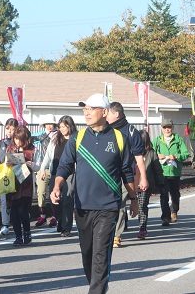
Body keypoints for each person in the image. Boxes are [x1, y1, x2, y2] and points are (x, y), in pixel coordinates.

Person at [51, 93, 137, 294]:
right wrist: (56, 186)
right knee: (88, 253)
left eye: (91, 109)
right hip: (82, 207)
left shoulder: (119, 138)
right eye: (85, 109)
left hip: (108, 207)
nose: (86, 113)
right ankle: (96, 286)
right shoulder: (77, 138)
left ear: (104, 112)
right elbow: (64, 166)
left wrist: (133, 199)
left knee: (100, 254)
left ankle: (96, 291)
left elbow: (126, 171)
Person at [107, 101, 149, 248]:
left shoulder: (131, 132)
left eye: (108, 113)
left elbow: (139, 158)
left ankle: (116, 236)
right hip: (107, 174)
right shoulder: (105, 130)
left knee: (120, 204)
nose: (105, 115)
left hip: (125, 175)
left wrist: (143, 178)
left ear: (117, 114)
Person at [39, 115, 77, 237]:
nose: (62, 129)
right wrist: (42, 169)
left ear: (69, 126)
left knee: (67, 199)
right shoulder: (55, 138)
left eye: (64, 126)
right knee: (53, 199)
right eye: (60, 126)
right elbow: (48, 155)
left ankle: (66, 227)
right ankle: (60, 220)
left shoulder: (75, 139)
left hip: (70, 173)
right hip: (55, 172)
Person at [5, 126, 40, 246]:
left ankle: (27, 232)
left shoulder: (32, 150)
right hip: (12, 184)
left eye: (20, 139)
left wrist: (31, 164)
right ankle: (18, 236)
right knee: (14, 212)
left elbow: (38, 166)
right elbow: (5, 163)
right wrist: (8, 162)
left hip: (26, 184)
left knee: (22, 210)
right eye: (16, 139)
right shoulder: (10, 149)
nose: (18, 142)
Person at [153, 118, 190, 226]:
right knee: (163, 195)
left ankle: (174, 211)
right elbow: (149, 152)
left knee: (175, 194)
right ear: (161, 128)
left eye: (169, 127)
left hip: (174, 172)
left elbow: (185, 153)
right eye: (164, 127)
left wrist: (176, 156)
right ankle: (165, 216)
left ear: (172, 128)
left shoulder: (178, 140)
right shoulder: (157, 141)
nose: (167, 130)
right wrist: (157, 156)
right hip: (162, 172)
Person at [136, 129, 164, 239]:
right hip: (132, 183)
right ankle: (122, 225)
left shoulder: (151, 153)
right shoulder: (131, 151)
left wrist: (160, 183)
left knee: (142, 206)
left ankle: (142, 228)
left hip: (145, 185)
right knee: (123, 206)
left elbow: (158, 170)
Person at [32, 114, 58, 228]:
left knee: (53, 192)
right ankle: (42, 215)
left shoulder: (58, 136)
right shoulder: (41, 136)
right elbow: (29, 138)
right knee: (41, 192)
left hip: (54, 168)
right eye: (47, 124)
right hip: (42, 168)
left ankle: (54, 216)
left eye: (51, 124)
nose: (49, 126)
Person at [0, 118, 19, 235]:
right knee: (4, 200)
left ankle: (16, 223)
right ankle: (5, 224)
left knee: (16, 200)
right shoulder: (1, 143)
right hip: (4, 175)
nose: (10, 131)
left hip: (16, 174)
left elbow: (23, 158)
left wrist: (12, 160)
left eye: (13, 129)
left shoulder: (19, 143)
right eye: (7, 129)